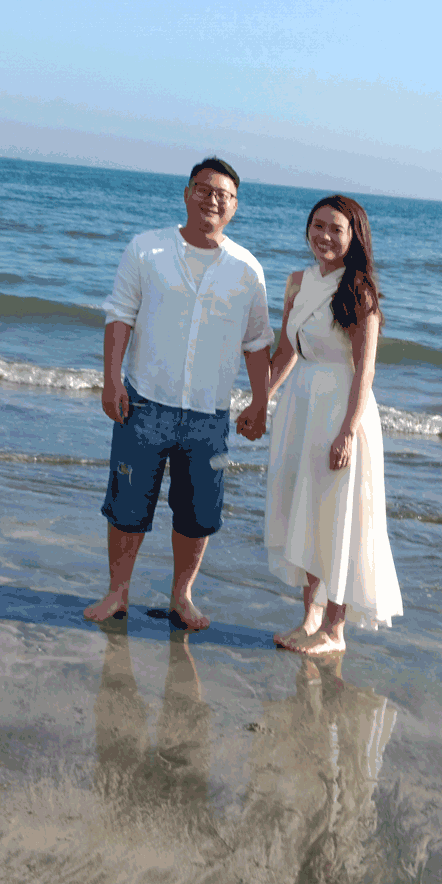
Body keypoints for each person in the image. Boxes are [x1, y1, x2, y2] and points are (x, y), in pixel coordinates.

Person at [84, 158, 273, 632]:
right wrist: (110, 380)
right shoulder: (146, 250)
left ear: (235, 206)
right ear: (187, 193)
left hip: (210, 413)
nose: (213, 200)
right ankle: (117, 593)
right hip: (144, 400)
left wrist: (259, 401)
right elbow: (119, 315)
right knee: (128, 504)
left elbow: (256, 342)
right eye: (204, 190)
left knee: (197, 514)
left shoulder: (247, 270)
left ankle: (182, 597)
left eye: (223, 195)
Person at [259, 193, 402, 655]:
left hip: (344, 410)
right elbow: (286, 353)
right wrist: (261, 401)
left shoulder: (359, 290)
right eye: (317, 226)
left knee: (339, 516)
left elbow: (366, 369)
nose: (323, 236)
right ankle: (309, 620)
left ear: (353, 236)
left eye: (335, 229)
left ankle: (335, 632)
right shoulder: (297, 283)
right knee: (306, 509)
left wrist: (347, 431)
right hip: (302, 406)